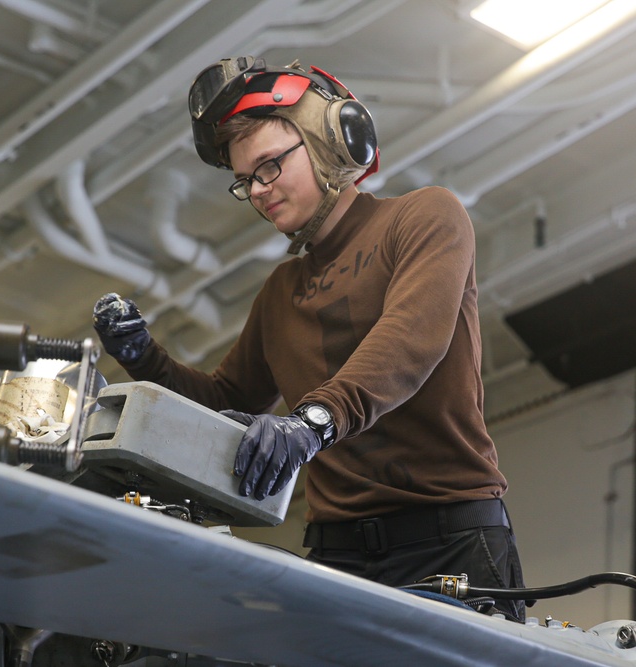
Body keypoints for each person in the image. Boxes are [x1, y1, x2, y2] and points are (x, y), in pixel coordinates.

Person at [92, 56, 526, 621]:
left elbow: (410, 340)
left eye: (270, 166)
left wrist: (312, 422)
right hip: (336, 554)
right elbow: (225, 403)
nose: (259, 191)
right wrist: (143, 358)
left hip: (451, 542)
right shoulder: (281, 292)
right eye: (245, 181)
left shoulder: (424, 217)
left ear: (332, 140)